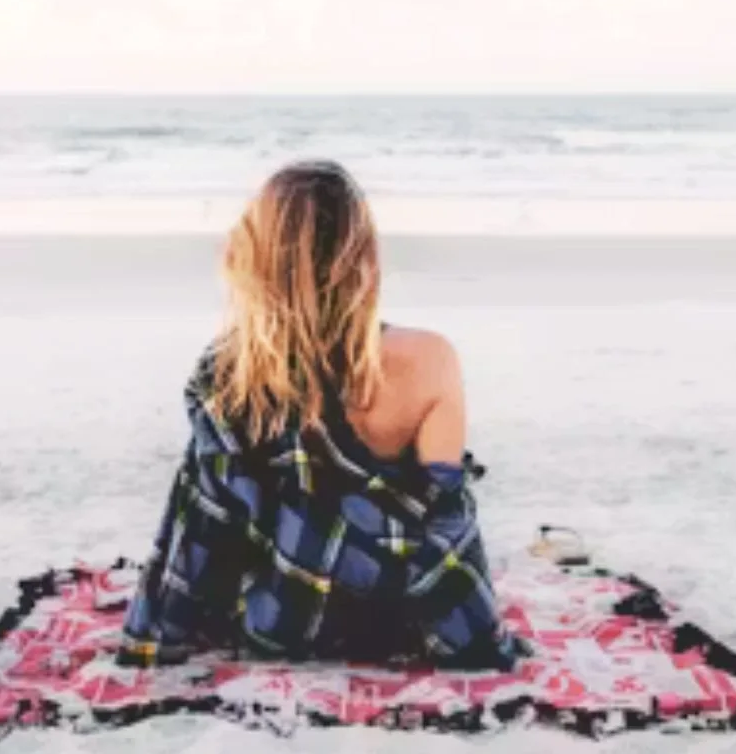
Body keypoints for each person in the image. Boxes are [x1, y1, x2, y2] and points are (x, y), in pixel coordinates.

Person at [118, 160, 522, 669]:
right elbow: (444, 521)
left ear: (258, 259)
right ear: (364, 257)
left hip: (281, 623)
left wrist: (157, 638)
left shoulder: (228, 370)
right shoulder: (429, 358)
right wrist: (472, 635)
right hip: (398, 625)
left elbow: (205, 525)